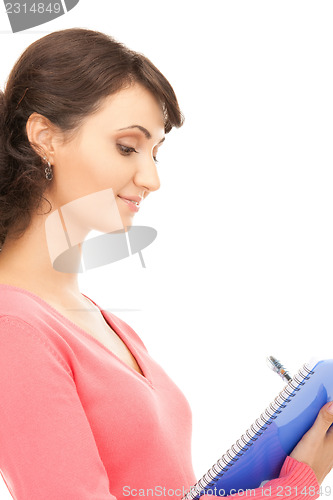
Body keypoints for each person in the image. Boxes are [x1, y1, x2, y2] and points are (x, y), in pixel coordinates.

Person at [0, 27, 332, 500]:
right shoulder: (13, 326)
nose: (152, 178)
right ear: (45, 137)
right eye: (127, 147)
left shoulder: (98, 319)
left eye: (155, 152)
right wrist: (293, 487)